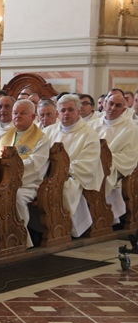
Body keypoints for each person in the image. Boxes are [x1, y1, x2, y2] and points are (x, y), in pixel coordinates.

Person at [45, 94, 104, 237]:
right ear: (58, 113)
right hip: (49, 174)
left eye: (70, 110)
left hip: (75, 176)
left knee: (62, 188)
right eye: (63, 110)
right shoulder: (48, 131)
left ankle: (65, 227)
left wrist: (61, 171)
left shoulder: (89, 134)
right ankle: (42, 228)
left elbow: (86, 163)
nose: (66, 113)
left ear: (78, 111)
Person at [0, 100, 50, 248]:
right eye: (15, 113)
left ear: (33, 117)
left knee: (16, 197)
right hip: (3, 180)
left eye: (23, 113)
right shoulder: (5, 137)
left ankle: (21, 238)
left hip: (28, 183)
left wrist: (10, 167)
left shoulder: (41, 138)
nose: (17, 116)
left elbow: (35, 164)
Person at [91, 93, 138, 222]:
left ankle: (100, 216)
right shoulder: (91, 125)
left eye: (118, 106)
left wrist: (105, 159)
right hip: (91, 163)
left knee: (97, 175)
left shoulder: (131, 129)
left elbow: (130, 156)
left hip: (114, 168)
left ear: (123, 110)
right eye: (111, 104)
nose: (113, 108)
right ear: (104, 104)